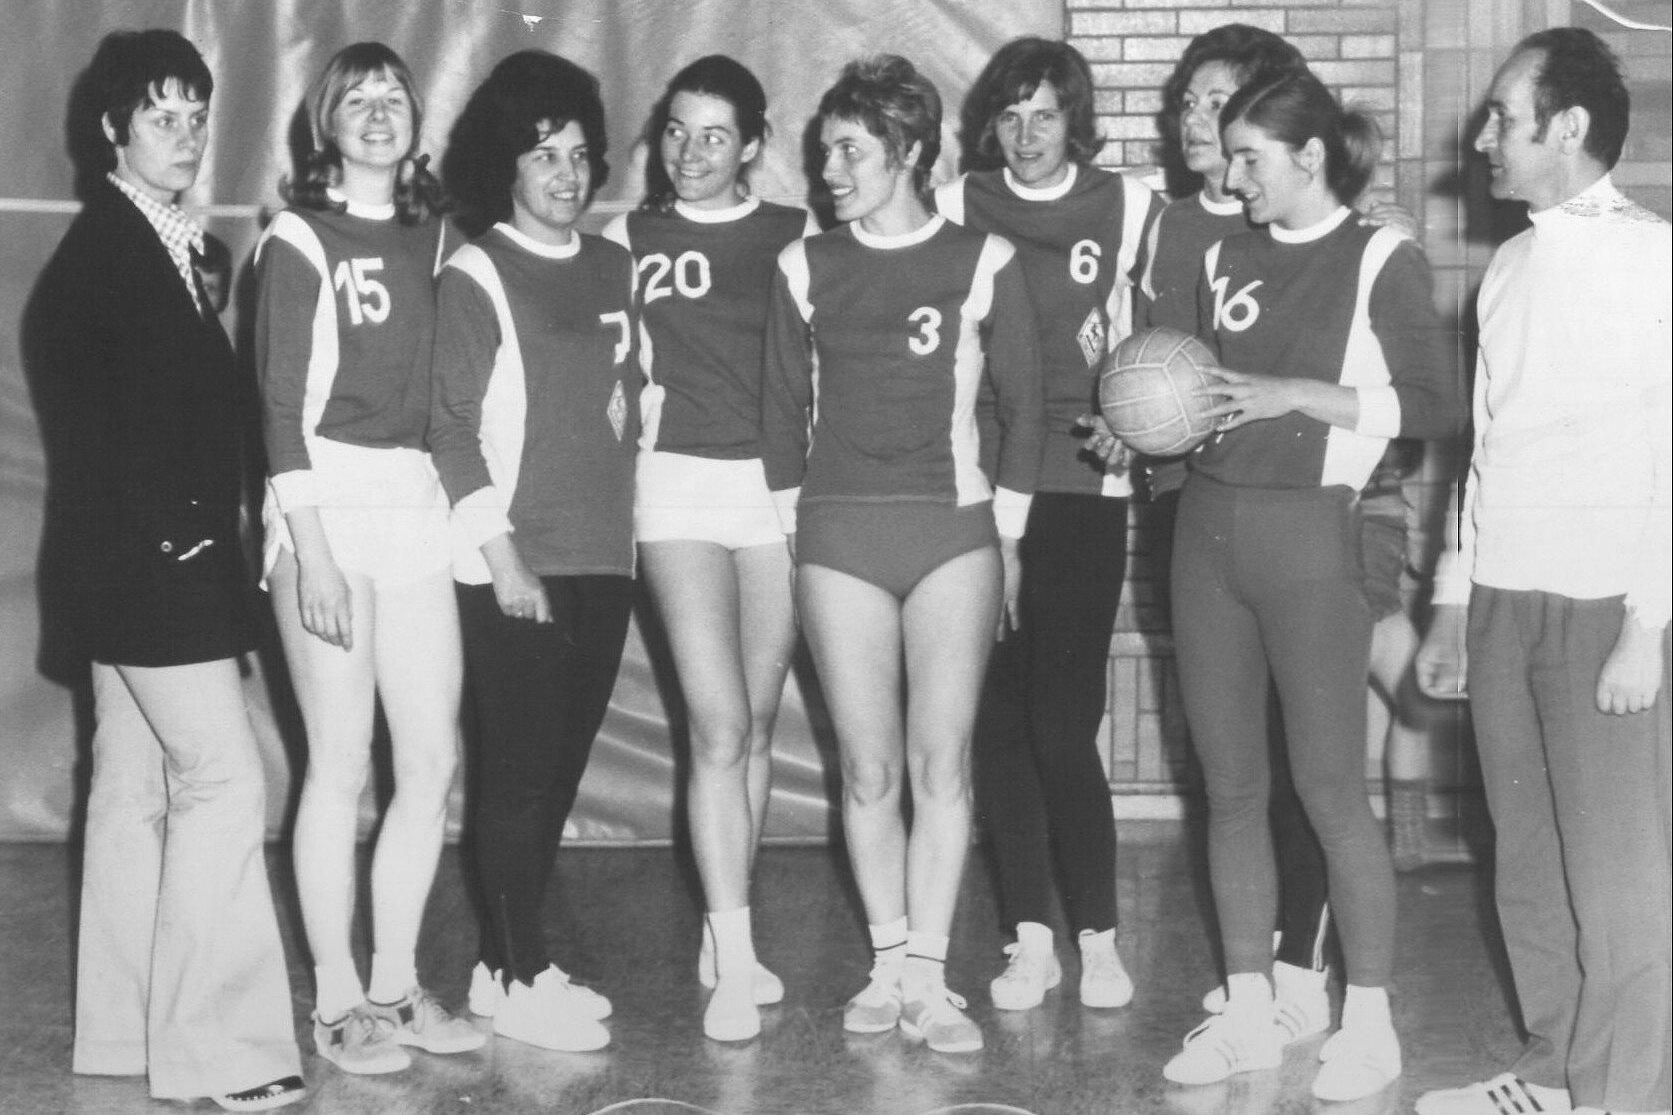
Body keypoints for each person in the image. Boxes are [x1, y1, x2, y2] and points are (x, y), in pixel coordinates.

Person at [1154, 68, 1459, 1097]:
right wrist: (1141, 425)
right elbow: (1200, 399)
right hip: (1204, 534)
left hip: (1310, 543)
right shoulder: (1222, 253)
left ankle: (1365, 1017)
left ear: (1308, 157)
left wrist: (1289, 392)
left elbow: (1430, 403)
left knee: (1328, 787)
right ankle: (1246, 1012)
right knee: (1229, 787)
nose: (1230, 174)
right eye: (1229, 155)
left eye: (1248, 157)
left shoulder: (1380, 255)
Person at [33, 28, 303, 1112]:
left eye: (196, 115)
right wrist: (182, 541)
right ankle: (220, 1049)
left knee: (136, 790)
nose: (187, 135)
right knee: (227, 781)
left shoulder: (169, 247)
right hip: (155, 565)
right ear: (111, 129)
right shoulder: (107, 258)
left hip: (132, 565)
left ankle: (121, 1027)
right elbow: (109, 427)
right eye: (161, 117)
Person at [761, 54, 1044, 1055]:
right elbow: (776, 414)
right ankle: (886, 958)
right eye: (824, 149)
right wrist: (800, 532)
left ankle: (930, 971)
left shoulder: (984, 260)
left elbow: (1026, 402)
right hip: (838, 533)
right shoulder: (805, 265)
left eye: (850, 150)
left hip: (951, 531)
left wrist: (1004, 533)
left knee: (940, 759)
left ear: (910, 150)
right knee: (870, 765)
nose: (829, 167)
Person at [1413, 28, 1670, 1115]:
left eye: (1501, 118)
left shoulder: (1653, 258)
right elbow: (1488, 442)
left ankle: (1625, 1095)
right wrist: (1450, 599)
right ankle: (1554, 1071)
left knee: (1615, 883)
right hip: (1503, 605)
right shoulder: (1509, 265)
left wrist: (1643, 625)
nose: (1480, 137)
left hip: (1600, 605)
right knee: (1523, 858)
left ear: (1564, 128)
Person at [254, 41, 480, 1075]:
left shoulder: (442, 238)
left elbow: (455, 406)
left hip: (414, 506)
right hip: (325, 510)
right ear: (324, 125)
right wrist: (312, 556)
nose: (379, 112)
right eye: (357, 99)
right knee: (340, 762)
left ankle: (395, 980)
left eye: (395, 95)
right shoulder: (299, 236)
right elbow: (278, 410)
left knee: (429, 757)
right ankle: (338, 1000)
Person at [933, 36, 1158, 1013]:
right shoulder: (954, 206)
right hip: (974, 489)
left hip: (1078, 487)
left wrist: (1136, 420)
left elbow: (1184, 306)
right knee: (994, 725)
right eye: (1009, 117)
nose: (1025, 136)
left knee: (1063, 724)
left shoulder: (1130, 204)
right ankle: (1030, 936)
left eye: (1044, 116)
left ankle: (1097, 935)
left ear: (1075, 121)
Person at [602, 55, 816, 1043]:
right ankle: (733, 956)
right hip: (675, 491)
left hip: (773, 495)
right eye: (676, 131)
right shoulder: (626, 237)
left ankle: (729, 921)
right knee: (718, 723)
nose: (688, 152)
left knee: (759, 721)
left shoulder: (794, 237)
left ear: (754, 148)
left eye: (713, 135)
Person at [431, 49, 638, 1054]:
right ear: (505, 166)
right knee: (515, 777)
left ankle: (499, 962)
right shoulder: (478, 271)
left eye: (577, 155)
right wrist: (502, 560)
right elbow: (448, 429)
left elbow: (627, 400)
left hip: (605, 559)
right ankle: (519, 972)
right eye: (542, 154)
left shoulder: (613, 266)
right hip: (519, 567)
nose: (563, 173)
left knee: (554, 775)